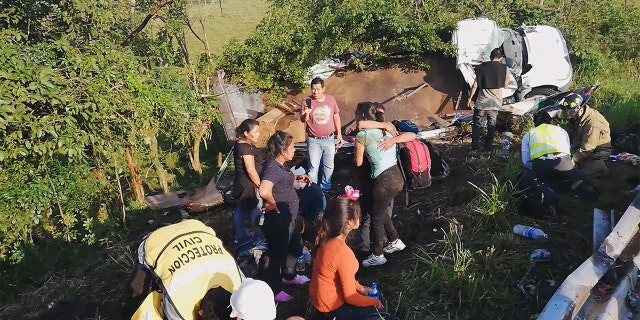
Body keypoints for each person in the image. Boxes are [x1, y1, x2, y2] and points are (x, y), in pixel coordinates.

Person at [124, 219, 242, 320]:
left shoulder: (239, 283)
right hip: (156, 242)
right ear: (200, 314)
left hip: (195, 227)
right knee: (138, 293)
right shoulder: (179, 306)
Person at [310, 195, 392, 320]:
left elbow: (340, 277)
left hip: (320, 301)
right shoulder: (342, 253)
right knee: (379, 313)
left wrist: (361, 289)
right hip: (332, 307)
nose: (360, 217)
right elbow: (350, 297)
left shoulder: (324, 239)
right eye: (358, 215)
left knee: (373, 296)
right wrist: (374, 303)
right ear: (349, 222)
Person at [353, 102, 413, 267]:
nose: (355, 117)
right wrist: (395, 139)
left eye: (356, 114)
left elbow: (358, 163)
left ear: (363, 116)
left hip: (383, 181)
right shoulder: (387, 130)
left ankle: (377, 255)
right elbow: (412, 135)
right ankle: (395, 241)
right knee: (381, 210)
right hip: (397, 177)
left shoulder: (362, 135)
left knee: (376, 218)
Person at [258, 131, 311, 302]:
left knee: (295, 246)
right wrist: (273, 204)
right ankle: (275, 288)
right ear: (282, 150)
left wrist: (296, 178)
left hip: (289, 217)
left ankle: (289, 276)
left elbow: (281, 180)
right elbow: (264, 190)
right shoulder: (273, 168)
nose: (294, 150)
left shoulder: (279, 165)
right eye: (292, 147)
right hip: (278, 220)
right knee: (277, 255)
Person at [521, 112, 598, 201]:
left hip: (541, 167)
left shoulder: (529, 134)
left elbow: (525, 161)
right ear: (551, 121)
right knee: (578, 177)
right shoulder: (561, 131)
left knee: (528, 178)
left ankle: (547, 195)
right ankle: (584, 197)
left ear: (535, 123)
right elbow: (567, 151)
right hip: (564, 165)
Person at [300, 77, 343, 192]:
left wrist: (339, 134)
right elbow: (303, 120)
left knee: (329, 165)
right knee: (313, 167)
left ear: (323, 88)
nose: (315, 92)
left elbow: (336, 116)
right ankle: (313, 189)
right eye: (313, 89)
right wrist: (306, 113)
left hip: (329, 138)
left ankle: (326, 187)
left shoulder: (331, 100)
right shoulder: (307, 101)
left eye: (318, 89)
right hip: (313, 140)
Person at [558, 93, 612, 178]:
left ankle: (604, 173)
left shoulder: (593, 122)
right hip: (579, 146)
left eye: (570, 112)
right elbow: (569, 133)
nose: (568, 116)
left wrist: (571, 161)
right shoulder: (575, 117)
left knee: (580, 175)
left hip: (597, 151)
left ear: (580, 109)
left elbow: (587, 148)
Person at [467, 48, 509, 154]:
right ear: (501, 58)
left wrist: (470, 98)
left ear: (491, 56)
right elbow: (505, 86)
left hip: (482, 102)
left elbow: (475, 85)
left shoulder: (481, 67)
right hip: (495, 103)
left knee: (477, 125)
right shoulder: (504, 68)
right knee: (491, 126)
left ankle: (475, 148)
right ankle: (487, 149)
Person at [232, 119, 263, 241]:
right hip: (248, 184)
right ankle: (258, 235)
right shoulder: (246, 148)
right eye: (255, 132)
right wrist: (260, 185)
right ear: (246, 133)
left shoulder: (240, 143)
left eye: (258, 131)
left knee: (240, 209)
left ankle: (239, 234)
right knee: (255, 210)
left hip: (240, 181)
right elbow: (251, 170)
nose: (258, 134)